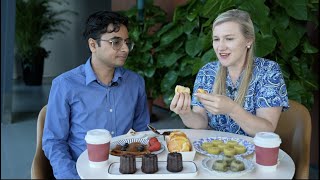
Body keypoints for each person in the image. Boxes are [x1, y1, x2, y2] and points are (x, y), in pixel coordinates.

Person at [42, 11, 150, 179]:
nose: (125, 49)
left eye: (127, 42)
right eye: (116, 42)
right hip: (82, 172)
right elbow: (54, 142)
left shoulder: (136, 83)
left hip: (126, 170)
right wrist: (72, 176)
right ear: (93, 45)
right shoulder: (65, 85)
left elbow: (141, 133)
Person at [170, 9, 289, 137]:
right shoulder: (207, 72)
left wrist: (232, 109)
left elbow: (266, 130)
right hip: (212, 150)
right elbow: (201, 122)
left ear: (248, 40)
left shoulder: (268, 72)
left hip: (253, 153)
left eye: (229, 39)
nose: (220, 47)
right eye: (216, 39)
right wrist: (185, 113)